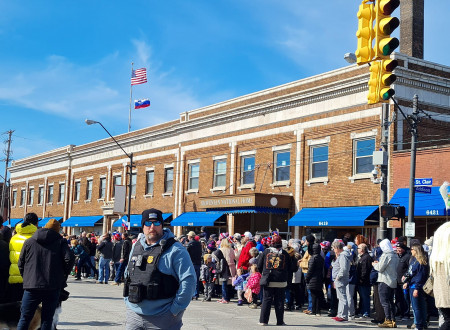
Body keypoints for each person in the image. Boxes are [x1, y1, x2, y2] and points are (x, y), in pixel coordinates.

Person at [124, 208, 196, 329]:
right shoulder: (136, 246)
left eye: (156, 222)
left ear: (162, 225)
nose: (152, 226)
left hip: (163, 317)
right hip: (134, 315)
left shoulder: (175, 249)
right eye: (148, 223)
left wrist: (175, 310)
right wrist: (127, 301)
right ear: (143, 226)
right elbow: (128, 274)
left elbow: (189, 281)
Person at [16, 219, 74, 330]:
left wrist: (27, 277)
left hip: (32, 285)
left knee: (25, 318)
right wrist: (62, 276)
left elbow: (20, 263)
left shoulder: (30, 241)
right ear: (57, 230)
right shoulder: (60, 242)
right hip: (52, 285)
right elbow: (69, 259)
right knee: (47, 319)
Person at [258, 235, 292, 326]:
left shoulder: (266, 252)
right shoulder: (285, 253)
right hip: (281, 281)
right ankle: (280, 321)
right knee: (280, 301)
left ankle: (263, 321)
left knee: (266, 300)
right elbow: (291, 267)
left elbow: (259, 265)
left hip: (268, 279)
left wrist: (264, 273)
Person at [9, 213, 38, 302]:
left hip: (14, 276)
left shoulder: (13, 238)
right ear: (36, 224)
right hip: (31, 279)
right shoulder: (36, 238)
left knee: (15, 307)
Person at [373, 238, 400, 328]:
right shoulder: (395, 255)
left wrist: (374, 264)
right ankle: (393, 320)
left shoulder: (386, 255)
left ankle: (388, 320)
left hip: (384, 280)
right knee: (391, 301)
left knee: (384, 302)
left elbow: (380, 268)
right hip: (393, 281)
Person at [403, 244, 429, 330]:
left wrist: (417, 288)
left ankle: (419, 324)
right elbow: (411, 273)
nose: (411, 251)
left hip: (416, 286)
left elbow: (420, 277)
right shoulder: (413, 260)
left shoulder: (420, 262)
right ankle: (422, 323)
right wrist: (407, 281)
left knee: (417, 307)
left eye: (412, 249)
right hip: (412, 284)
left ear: (416, 250)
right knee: (419, 306)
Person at [430, 222, 450, 330]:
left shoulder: (436, 258)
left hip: (442, 299)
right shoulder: (446, 259)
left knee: (446, 320)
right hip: (446, 298)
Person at [331, 240, 351, 322]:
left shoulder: (343, 256)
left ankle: (343, 315)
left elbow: (344, 268)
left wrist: (338, 277)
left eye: (333, 248)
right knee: (340, 297)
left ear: (337, 248)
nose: (333, 250)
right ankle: (340, 314)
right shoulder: (341, 255)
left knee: (342, 297)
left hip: (340, 279)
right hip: (340, 279)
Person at [305, 243, 324, 316]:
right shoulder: (321, 258)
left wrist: (307, 278)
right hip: (319, 278)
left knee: (313, 295)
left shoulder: (313, 258)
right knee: (318, 295)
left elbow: (310, 270)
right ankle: (318, 311)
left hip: (313, 278)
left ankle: (313, 311)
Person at [396, 241, 412, 320]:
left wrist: (407, 279)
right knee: (398, 299)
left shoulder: (407, 257)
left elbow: (409, 269)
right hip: (397, 281)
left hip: (404, 282)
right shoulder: (397, 256)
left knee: (405, 299)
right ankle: (400, 313)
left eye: (399, 248)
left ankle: (406, 314)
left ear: (403, 249)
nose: (398, 250)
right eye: (397, 248)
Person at [356, 243, 373, 318]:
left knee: (365, 297)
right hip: (362, 281)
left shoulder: (366, 258)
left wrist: (361, 279)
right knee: (362, 297)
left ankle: (366, 312)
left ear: (362, 250)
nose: (357, 250)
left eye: (358, 248)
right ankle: (363, 311)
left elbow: (365, 270)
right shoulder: (362, 257)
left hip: (364, 282)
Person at [186, 231, 202, 300]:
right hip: (198, 263)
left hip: (191, 263)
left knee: (191, 279)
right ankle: (196, 294)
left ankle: (192, 294)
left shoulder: (189, 244)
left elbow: (187, 254)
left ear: (190, 237)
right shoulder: (199, 244)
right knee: (196, 279)